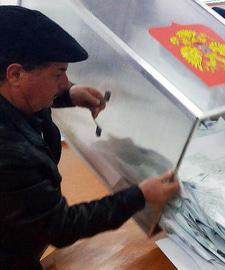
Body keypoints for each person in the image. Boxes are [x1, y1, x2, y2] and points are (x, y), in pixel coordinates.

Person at [0, 6, 179, 269]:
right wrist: (140, 196)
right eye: (58, 74)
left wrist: (69, 95)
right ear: (15, 74)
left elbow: (29, 96)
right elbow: (60, 226)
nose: (65, 81)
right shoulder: (9, 152)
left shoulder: (11, 93)